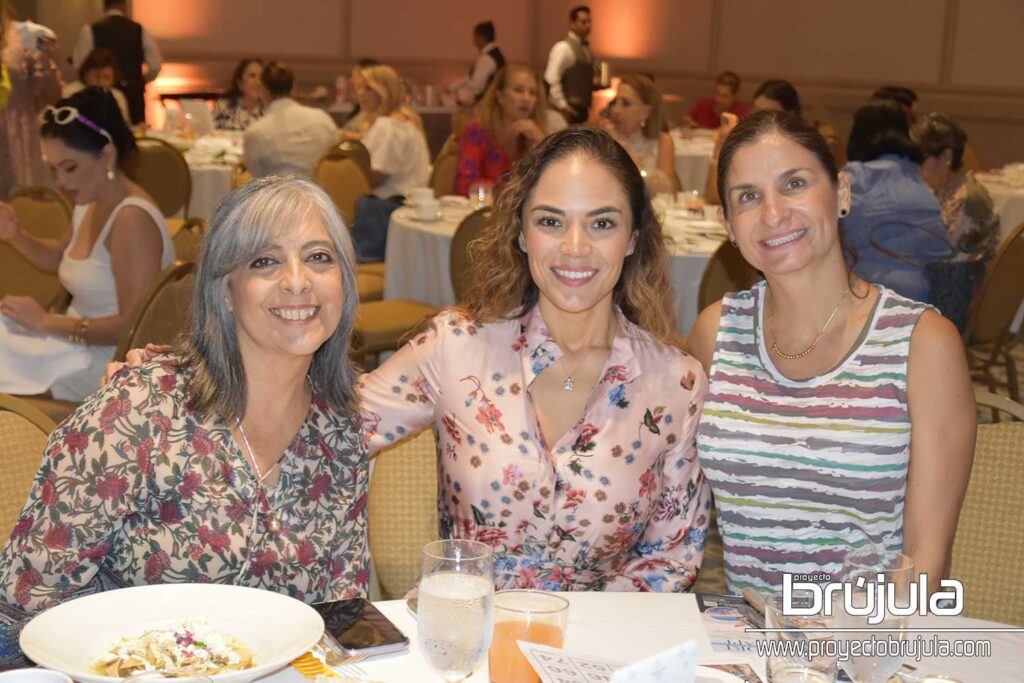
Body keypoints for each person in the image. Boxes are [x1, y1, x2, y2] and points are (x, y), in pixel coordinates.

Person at [0, 176, 369, 669]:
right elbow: (25, 604)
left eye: (319, 257)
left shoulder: (340, 433)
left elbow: (337, 615)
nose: (298, 280)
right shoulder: (141, 410)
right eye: (265, 261)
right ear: (225, 289)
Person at [359, 127, 711, 592]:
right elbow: (329, 432)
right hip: (466, 641)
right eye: (550, 221)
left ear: (632, 238)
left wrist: (581, 643)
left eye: (603, 223)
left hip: (597, 651)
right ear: (522, 233)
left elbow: (672, 558)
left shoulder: (676, 383)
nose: (575, 247)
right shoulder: (456, 347)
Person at [687, 110, 975, 595]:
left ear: (841, 193)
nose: (774, 213)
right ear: (729, 224)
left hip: (867, 651)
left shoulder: (921, 343)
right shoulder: (717, 331)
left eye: (794, 184)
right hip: (746, 650)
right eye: (749, 196)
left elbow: (926, 560)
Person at [0, 87, 174, 401]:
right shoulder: (90, 200)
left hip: (108, 363)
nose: (60, 182)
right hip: (72, 343)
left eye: (70, 168)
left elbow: (131, 327)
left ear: (107, 154)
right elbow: (59, 258)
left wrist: (44, 321)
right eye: (54, 169)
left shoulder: (131, 219)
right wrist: (15, 235)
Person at [841, 100, 948, 303]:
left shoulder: (859, 178)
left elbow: (823, 233)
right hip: (925, 297)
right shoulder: (917, 178)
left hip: (871, 296)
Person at [349, 64, 430, 262]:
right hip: (407, 209)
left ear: (382, 92)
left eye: (367, 88)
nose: (360, 94)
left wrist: (347, 175)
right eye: (359, 88)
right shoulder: (406, 122)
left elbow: (377, 177)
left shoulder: (387, 126)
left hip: (386, 213)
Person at [911, 112, 999, 261]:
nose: (915, 169)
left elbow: (942, 256)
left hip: (954, 280)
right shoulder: (946, 190)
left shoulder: (967, 200)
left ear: (946, 157)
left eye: (920, 160)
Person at [454, 64, 546, 197]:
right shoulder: (477, 132)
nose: (527, 99)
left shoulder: (534, 135)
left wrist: (542, 143)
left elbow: (555, 188)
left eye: (532, 93)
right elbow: (464, 186)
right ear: (500, 96)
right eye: (518, 90)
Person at [0, 12, 61, 198]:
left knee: (22, 209)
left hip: (15, 140)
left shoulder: (26, 36)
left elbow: (51, 94)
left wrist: (44, 58)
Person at [243, 61, 339, 178]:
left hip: (278, 195)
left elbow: (256, 179)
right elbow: (335, 160)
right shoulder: (322, 119)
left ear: (264, 89)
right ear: (293, 87)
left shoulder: (255, 132)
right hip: (320, 193)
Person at [72, 0, 161, 125]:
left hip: (100, 97)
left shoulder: (91, 30)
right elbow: (155, 65)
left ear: (104, 6)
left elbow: (79, 63)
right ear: (124, 6)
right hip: (133, 95)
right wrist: (139, 81)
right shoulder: (139, 30)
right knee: (135, 136)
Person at [602, 74, 676, 194]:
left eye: (625, 104)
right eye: (615, 102)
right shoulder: (605, 139)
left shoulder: (663, 141)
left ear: (646, 112)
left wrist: (628, 152)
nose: (615, 110)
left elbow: (666, 190)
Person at [544, 5, 595, 124]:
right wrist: (562, 106)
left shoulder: (586, 49)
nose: (588, 25)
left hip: (582, 108)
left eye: (589, 22)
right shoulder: (563, 48)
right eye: (583, 22)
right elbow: (551, 79)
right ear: (572, 23)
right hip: (569, 107)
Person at [61, 47, 130, 123]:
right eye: (97, 76)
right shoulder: (70, 92)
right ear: (85, 74)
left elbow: (123, 125)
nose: (101, 82)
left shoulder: (117, 96)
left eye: (106, 78)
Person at [452, 20, 505, 106]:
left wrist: (456, 90)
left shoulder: (487, 59)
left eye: (475, 36)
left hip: (484, 105)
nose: (474, 40)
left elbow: (476, 87)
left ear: (481, 38)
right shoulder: (495, 55)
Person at [212, 57, 265, 131]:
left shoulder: (269, 111)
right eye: (252, 76)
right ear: (239, 82)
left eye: (261, 77)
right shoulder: (224, 106)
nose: (258, 82)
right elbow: (211, 135)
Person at [684, 71, 749, 130]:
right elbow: (686, 122)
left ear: (735, 96)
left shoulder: (742, 114)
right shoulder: (703, 105)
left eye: (725, 96)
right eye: (717, 93)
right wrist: (687, 124)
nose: (719, 99)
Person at [340, 57, 380, 139]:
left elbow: (375, 140)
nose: (351, 81)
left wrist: (345, 135)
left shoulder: (383, 118)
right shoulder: (360, 109)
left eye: (354, 76)